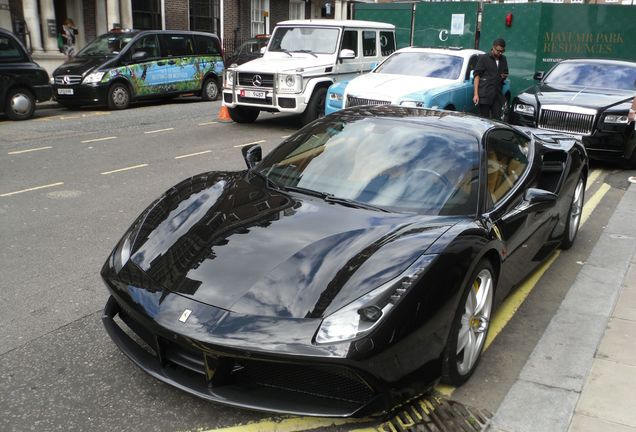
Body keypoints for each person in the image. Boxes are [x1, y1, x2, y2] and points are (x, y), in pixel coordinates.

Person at [473, 38, 509, 120]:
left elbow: (506, 73)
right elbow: (477, 75)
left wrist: (503, 76)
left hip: (497, 95)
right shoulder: (484, 58)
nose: (500, 53)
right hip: (485, 94)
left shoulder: (503, 59)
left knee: (497, 120)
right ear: (493, 47)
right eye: (498, 50)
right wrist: (476, 94)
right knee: (484, 120)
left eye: (502, 51)